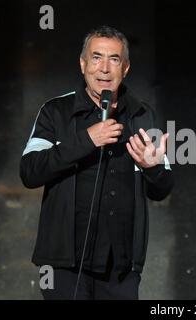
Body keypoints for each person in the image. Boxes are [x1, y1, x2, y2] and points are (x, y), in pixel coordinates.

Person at [20, 25, 173, 300]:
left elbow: (162, 189)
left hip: (121, 269)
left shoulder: (141, 115)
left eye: (114, 59)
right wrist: (86, 140)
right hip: (64, 265)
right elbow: (30, 172)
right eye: (96, 57)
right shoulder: (56, 112)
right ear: (82, 64)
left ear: (125, 69)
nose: (104, 68)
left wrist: (153, 169)